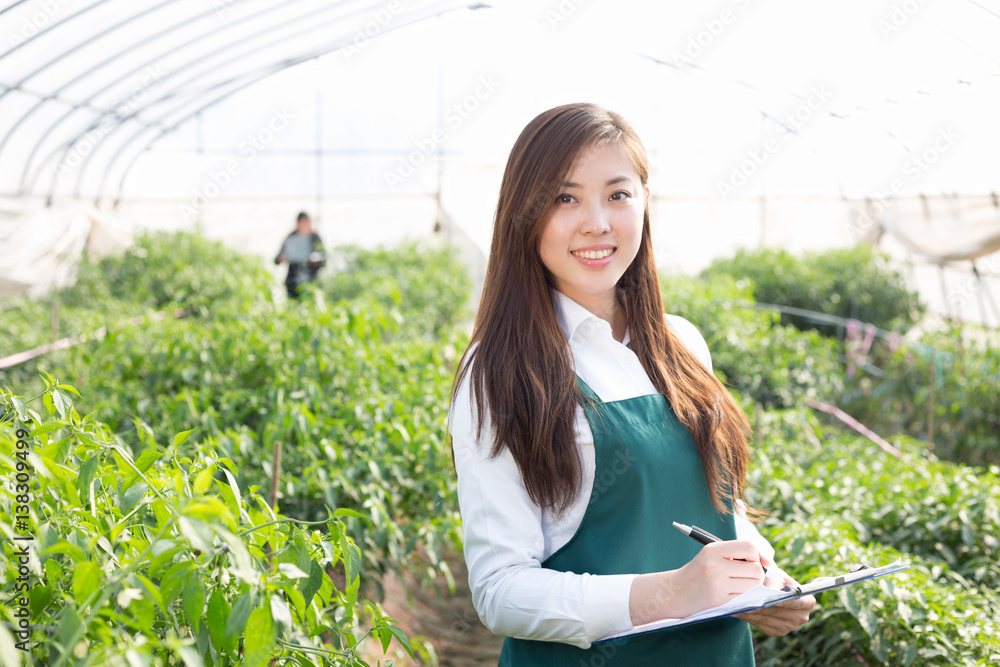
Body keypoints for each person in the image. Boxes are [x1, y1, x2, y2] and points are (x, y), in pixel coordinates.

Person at [448, 103, 815, 665]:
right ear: (523, 215)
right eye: (564, 197)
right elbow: (499, 590)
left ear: (644, 203)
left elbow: (718, 509)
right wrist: (671, 593)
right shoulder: (500, 371)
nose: (597, 221)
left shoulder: (683, 344)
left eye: (618, 194)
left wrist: (760, 580)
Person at [274, 212, 326, 298]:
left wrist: (314, 262)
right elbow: (276, 259)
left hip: (310, 281)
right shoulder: (291, 237)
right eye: (302, 223)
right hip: (292, 280)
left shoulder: (315, 238)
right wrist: (281, 258)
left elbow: (323, 259)